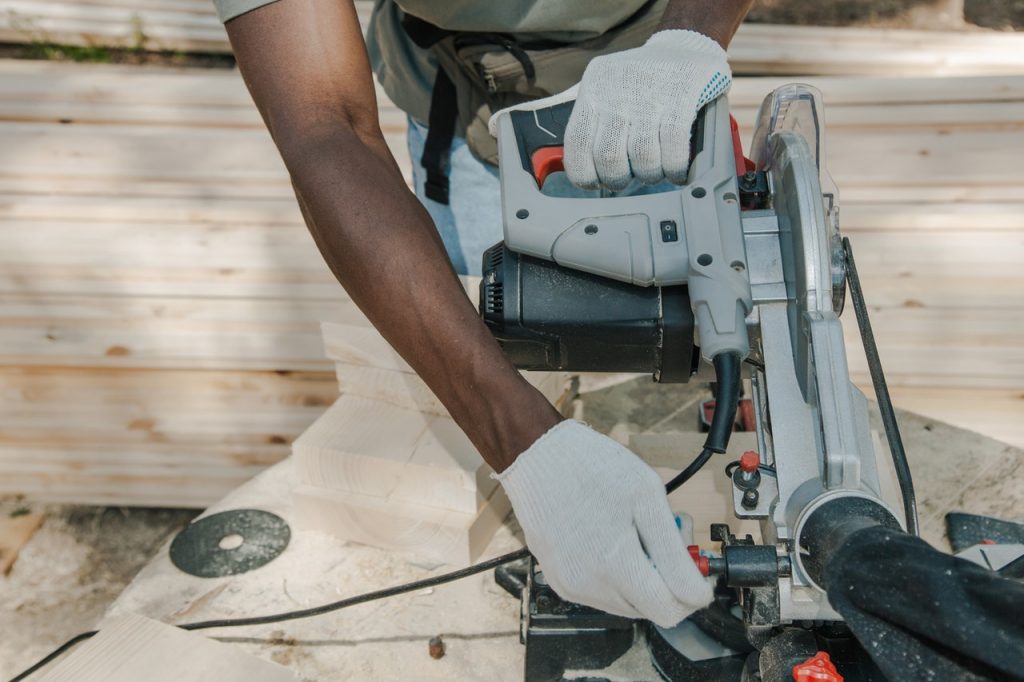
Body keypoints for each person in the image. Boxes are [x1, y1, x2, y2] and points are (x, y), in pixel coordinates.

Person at [211, 0, 753, 629]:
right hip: (465, 99)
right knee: (501, 321)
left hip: (654, 91)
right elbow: (322, 121)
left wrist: (686, 43)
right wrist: (529, 446)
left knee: (690, 350)